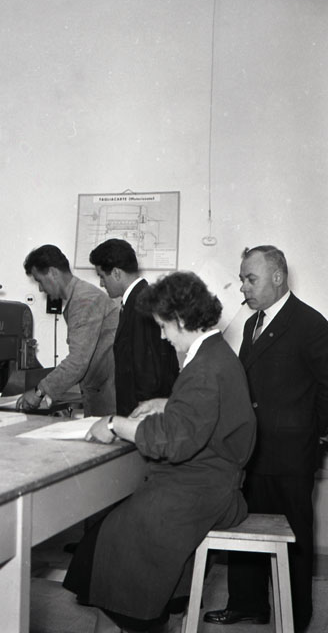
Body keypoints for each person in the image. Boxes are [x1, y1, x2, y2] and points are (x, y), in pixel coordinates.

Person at [63, 271, 256, 633]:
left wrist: (114, 424)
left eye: (164, 327)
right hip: (212, 484)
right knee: (107, 539)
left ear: (181, 319)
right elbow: (207, 412)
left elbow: (175, 441)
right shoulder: (215, 354)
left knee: (114, 537)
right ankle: (158, 608)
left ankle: (135, 617)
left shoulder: (204, 368)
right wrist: (168, 403)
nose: (164, 337)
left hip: (201, 490)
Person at [204, 246, 328, 632]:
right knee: (246, 528)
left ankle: (297, 615)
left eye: (250, 279)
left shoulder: (310, 324)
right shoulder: (251, 324)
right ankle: (247, 605)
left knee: (294, 538)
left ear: (277, 277)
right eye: (242, 278)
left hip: (291, 455)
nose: (243, 287)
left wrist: (318, 438)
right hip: (251, 450)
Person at [17, 244, 118, 416]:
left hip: (109, 399)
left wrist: (39, 392)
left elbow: (77, 362)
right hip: (101, 393)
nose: (41, 289)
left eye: (39, 280)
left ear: (53, 272)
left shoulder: (84, 300)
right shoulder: (81, 296)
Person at [89, 238, 178, 416]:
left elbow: (148, 372)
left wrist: (139, 419)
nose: (101, 284)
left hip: (142, 413)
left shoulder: (141, 304)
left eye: (102, 276)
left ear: (116, 273)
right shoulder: (138, 299)